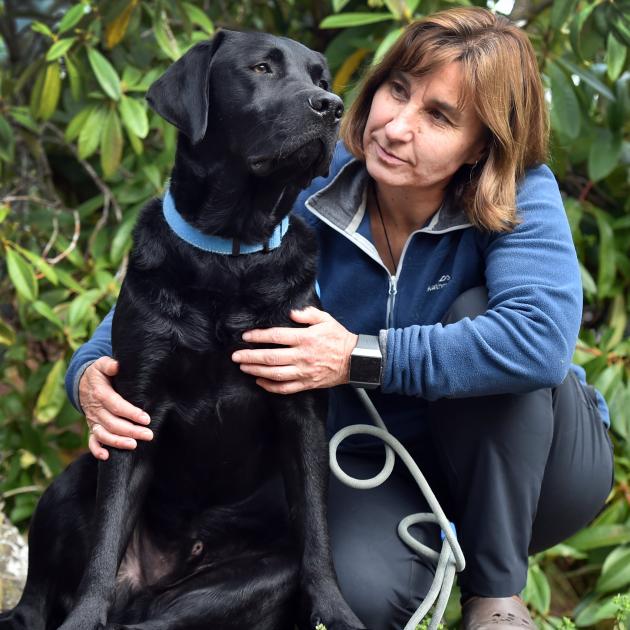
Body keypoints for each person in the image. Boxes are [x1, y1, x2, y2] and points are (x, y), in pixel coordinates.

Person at [65, 8, 614, 630]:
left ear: (481, 145)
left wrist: (355, 355)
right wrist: (88, 373)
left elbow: (537, 341)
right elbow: (169, 299)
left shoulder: (519, 189)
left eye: (438, 116)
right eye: (397, 91)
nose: (398, 126)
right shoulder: (306, 176)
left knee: (481, 320)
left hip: (537, 471)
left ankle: (496, 602)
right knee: (350, 592)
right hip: (379, 465)